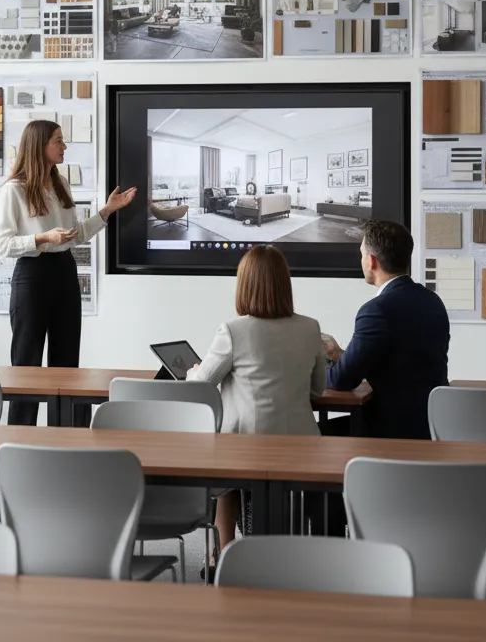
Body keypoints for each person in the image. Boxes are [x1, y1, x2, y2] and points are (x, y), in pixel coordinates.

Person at [0, 119, 136, 426]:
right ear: (39, 145)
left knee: (68, 363)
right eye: (58, 141)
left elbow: (75, 235)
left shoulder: (60, 184)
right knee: (26, 366)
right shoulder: (14, 189)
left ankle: (68, 439)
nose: (64, 146)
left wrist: (107, 210)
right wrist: (43, 238)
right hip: (32, 275)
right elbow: (2, 245)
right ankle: (20, 441)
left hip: (64, 270)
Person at [187, 245, 326, 557]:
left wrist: (193, 371)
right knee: (231, 466)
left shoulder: (233, 330)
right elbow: (318, 390)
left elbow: (200, 386)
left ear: (244, 285)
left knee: (225, 472)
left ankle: (222, 555)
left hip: (248, 445)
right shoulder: (311, 327)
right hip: (302, 447)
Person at [322, 220, 449, 440]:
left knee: (312, 434)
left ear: (371, 261)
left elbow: (342, 379)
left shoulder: (376, 311)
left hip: (391, 430)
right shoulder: (432, 301)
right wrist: (339, 355)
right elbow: (398, 361)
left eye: (361, 254)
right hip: (431, 426)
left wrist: (311, 372)